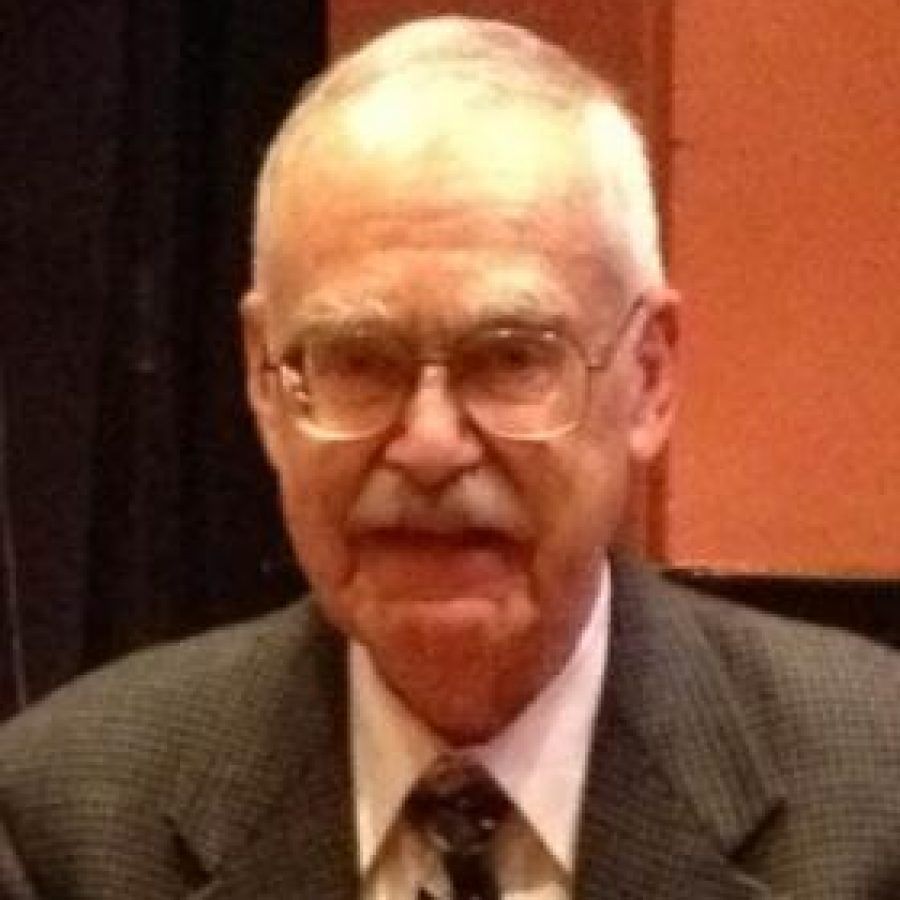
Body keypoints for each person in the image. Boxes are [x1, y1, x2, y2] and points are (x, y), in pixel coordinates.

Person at [1, 16, 898, 900]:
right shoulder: (65, 828)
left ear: (651, 378)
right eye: (357, 361)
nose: (429, 446)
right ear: (265, 384)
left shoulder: (874, 806)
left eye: (510, 357)